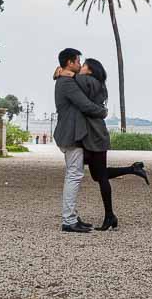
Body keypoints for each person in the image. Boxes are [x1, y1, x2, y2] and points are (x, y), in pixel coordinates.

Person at [55, 57, 149, 231]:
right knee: (98, 175)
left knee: (100, 176)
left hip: (94, 134)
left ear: (89, 70)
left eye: (83, 66)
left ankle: (110, 215)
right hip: (95, 133)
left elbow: (74, 88)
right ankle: (132, 170)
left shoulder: (84, 80)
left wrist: (62, 72)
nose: (80, 67)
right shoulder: (99, 84)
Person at [53, 48, 108, 233]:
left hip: (72, 133)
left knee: (74, 174)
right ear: (70, 62)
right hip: (71, 134)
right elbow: (84, 105)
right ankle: (68, 220)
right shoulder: (67, 83)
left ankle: (72, 216)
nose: (79, 64)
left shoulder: (66, 79)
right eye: (78, 61)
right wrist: (103, 112)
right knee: (74, 176)